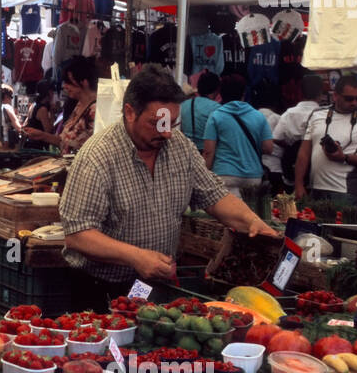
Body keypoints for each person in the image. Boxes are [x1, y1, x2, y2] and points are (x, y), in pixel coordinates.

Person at [58, 65, 277, 309]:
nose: (166, 133)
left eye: (171, 123)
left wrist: (251, 221)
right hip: (99, 289)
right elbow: (77, 235)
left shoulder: (179, 147)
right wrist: (136, 256)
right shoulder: (97, 157)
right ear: (130, 112)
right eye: (157, 123)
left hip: (155, 287)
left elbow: (215, 196)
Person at [294, 74, 357, 205]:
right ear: (335, 96)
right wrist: (299, 184)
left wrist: (345, 158)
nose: (354, 102)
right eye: (349, 98)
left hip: (347, 193)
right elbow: (304, 153)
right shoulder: (317, 114)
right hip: (315, 189)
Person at [202, 73, 274, 198]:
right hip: (253, 176)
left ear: (221, 93)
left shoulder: (216, 116)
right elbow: (268, 148)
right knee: (248, 215)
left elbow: (208, 152)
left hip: (224, 174)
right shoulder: (258, 116)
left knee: (226, 216)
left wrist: (203, 176)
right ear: (243, 93)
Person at [23, 57, 97, 153]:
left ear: (84, 82)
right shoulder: (78, 105)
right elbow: (62, 141)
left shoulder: (95, 110)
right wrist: (41, 135)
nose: (64, 86)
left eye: (69, 82)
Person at [273, 73, 327, 190]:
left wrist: (291, 146)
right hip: (316, 166)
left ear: (301, 92)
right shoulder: (324, 114)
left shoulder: (290, 113)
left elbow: (276, 138)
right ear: (320, 93)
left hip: (292, 164)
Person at [179, 71, 221, 152]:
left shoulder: (183, 105)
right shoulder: (217, 108)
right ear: (216, 90)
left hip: (185, 151)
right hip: (206, 153)